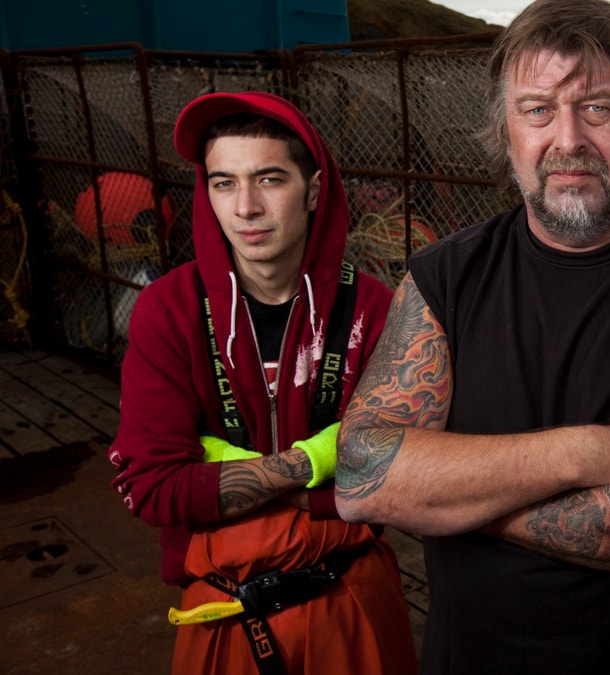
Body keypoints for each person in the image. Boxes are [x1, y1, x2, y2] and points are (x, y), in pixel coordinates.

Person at [333, 0, 610, 672]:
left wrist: (451, 498)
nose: (567, 138)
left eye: (597, 107)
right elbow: (364, 474)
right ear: (506, 131)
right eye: (538, 108)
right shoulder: (443, 278)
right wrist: (588, 453)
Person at [108, 91, 418, 674]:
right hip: (223, 606)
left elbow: (393, 480)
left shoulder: (374, 309)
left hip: (349, 596)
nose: (245, 207)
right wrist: (317, 459)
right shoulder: (167, 309)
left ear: (315, 190)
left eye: (269, 178)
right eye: (224, 182)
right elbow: (153, 488)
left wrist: (213, 468)